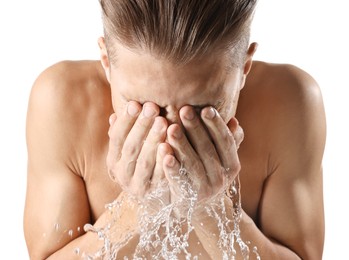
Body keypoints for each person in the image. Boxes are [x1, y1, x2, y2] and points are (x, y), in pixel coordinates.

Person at [23, 0, 326, 259]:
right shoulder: (62, 102)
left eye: (201, 110)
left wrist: (211, 208)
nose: (170, 133)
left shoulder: (289, 102)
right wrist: (135, 207)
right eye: (143, 107)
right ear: (106, 62)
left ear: (244, 67)